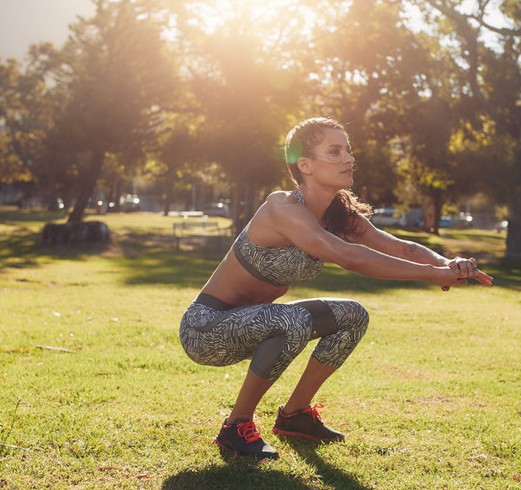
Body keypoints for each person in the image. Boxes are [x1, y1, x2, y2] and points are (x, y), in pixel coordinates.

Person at [179, 117, 493, 460]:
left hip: (257, 322)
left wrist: (448, 265)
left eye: (348, 150)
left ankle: (295, 415)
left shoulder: (337, 213)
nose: (349, 158)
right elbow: (349, 256)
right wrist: (432, 275)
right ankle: (236, 426)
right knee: (292, 320)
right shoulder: (282, 208)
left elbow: (399, 247)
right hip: (207, 328)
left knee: (352, 315)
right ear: (306, 165)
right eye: (335, 151)